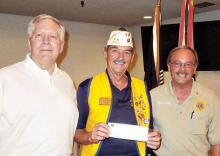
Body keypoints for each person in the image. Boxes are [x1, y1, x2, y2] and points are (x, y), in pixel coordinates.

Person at [0, 14, 79, 156]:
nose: (46, 41)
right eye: (39, 35)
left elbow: (70, 136)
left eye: (53, 37)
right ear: (30, 43)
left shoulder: (67, 82)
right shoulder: (4, 78)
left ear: (61, 46)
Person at [74, 29, 161, 156]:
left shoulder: (142, 87)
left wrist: (153, 138)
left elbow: (148, 127)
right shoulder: (87, 87)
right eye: (115, 50)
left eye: (126, 52)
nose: (121, 57)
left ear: (132, 57)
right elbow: (75, 133)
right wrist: (90, 136)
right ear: (105, 52)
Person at [150, 46, 220, 156]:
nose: (182, 69)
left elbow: (216, 143)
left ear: (194, 68)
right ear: (169, 66)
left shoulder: (210, 97)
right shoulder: (152, 96)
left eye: (188, 64)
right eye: (177, 63)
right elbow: (144, 131)